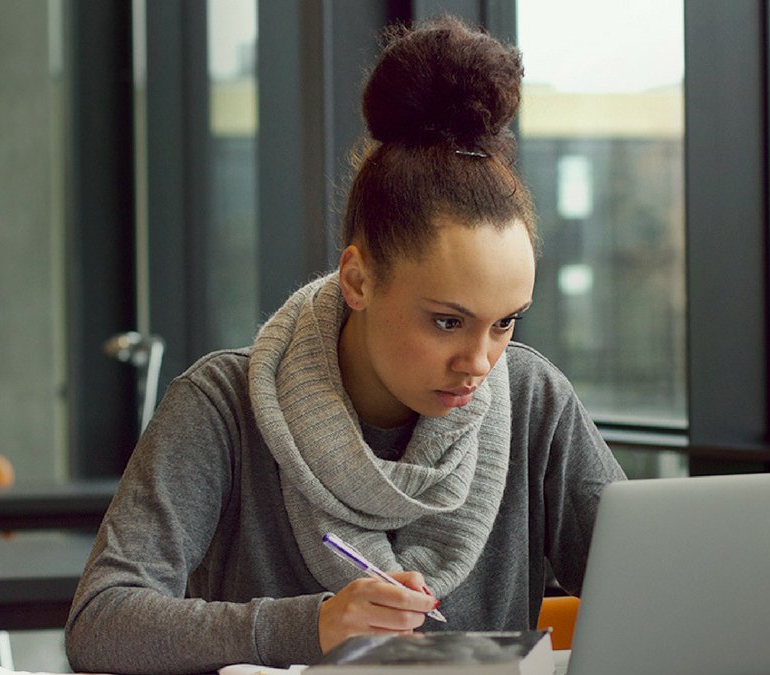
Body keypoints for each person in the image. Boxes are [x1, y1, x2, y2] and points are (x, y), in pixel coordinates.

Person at [65, 15, 626, 674]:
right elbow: (102, 621)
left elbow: (659, 592)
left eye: (504, 323)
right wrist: (313, 622)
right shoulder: (222, 406)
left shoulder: (533, 401)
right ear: (358, 279)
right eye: (447, 321)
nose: (479, 362)